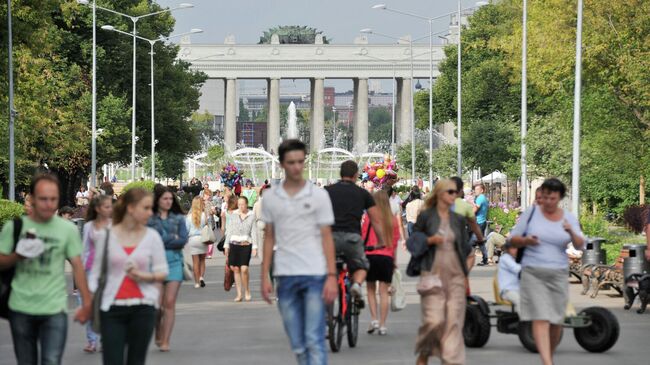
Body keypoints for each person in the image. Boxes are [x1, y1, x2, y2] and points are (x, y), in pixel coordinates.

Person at [0, 174, 92, 365]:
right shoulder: (15, 227)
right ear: (32, 199)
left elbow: (78, 265)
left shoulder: (67, 229)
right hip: (21, 307)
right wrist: (18, 256)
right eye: (43, 199)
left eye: (53, 199)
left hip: (54, 307)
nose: (49, 204)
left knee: (51, 360)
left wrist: (86, 303)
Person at [260, 139, 338, 365]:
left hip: (315, 273)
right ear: (282, 164)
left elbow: (326, 237)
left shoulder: (318, 196)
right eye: (291, 162)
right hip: (285, 274)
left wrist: (332, 276)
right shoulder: (271, 197)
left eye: (300, 162)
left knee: (314, 339)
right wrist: (264, 275)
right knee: (297, 342)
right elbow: (269, 236)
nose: (296, 167)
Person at [88, 188, 168, 365]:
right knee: (112, 360)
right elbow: (94, 275)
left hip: (143, 308)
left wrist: (143, 276)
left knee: (136, 361)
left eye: (151, 208)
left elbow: (162, 272)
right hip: (112, 308)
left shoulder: (152, 237)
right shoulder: (106, 236)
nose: (150, 212)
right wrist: (90, 301)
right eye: (146, 208)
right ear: (131, 208)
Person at [509, 178, 585, 365]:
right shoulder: (531, 213)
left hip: (558, 272)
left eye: (553, 198)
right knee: (541, 317)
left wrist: (571, 233)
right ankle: (547, 362)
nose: (549, 202)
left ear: (559, 197)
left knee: (556, 320)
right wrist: (526, 241)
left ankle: (548, 356)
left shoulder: (568, 218)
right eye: (546, 197)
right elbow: (512, 240)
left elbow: (580, 244)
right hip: (533, 271)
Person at [407, 179, 473, 365]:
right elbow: (414, 241)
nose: (455, 195)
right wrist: (430, 240)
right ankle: (426, 351)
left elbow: (466, 249)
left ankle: (452, 361)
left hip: (455, 276)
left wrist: (465, 273)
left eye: (456, 192)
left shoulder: (458, 220)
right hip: (432, 274)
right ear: (439, 194)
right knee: (434, 321)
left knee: (453, 323)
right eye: (450, 192)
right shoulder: (427, 216)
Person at [325, 160, 384, 298]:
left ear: (340, 174)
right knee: (362, 266)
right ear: (356, 175)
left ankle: (326, 301)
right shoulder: (363, 194)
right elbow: (375, 219)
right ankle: (357, 285)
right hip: (352, 238)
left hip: (330, 239)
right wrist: (380, 241)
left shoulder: (327, 191)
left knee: (323, 266)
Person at [148, 185, 188, 352]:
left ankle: (166, 340)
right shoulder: (150, 219)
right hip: (155, 264)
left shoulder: (179, 218)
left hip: (174, 263)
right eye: (165, 198)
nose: (168, 201)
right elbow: (149, 240)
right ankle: (158, 328)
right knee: (157, 306)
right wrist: (172, 237)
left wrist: (164, 240)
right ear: (157, 200)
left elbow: (183, 240)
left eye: (170, 199)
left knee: (169, 302)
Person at [80, 194, 113, 353]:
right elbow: (84, 249)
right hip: (90, 269)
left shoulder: (115, 226)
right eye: (107, 206)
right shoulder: (89, 226)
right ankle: (92, 340)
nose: (110, 209)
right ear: (98, 209)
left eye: (110, 206)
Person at [363, 190, 398, 336]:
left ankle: (374, 319)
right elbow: (395, 243)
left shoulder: (369, 217)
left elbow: (362, 236)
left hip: (370, 255)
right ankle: (383, 325)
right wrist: (394, 261)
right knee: (384, 292)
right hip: (387, 257)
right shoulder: (393, 219)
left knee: (370, 289)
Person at [224, 196, 258, 302]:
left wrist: (255, 246)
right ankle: (239, 294)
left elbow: (254, 231)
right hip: (234, 244)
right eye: (239, 204)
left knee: (244, 268)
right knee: (236, 269)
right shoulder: (234, 215)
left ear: (246, 204)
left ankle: (247, 290)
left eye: (243, 204)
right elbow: (229, 230)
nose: (241, 206)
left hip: (246, 244)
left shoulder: (251, 215)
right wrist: (226, 245)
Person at [450, 177, 485, 267]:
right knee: (469, 256)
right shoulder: (465, 206)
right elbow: (474, 224)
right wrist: (480, 238)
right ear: (461, 191)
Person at [185, 197, 210, 288]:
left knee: (195, 262)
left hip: (192, 240)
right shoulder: (204, 215)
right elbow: (207, 227)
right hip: (202, 239)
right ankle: (201, 277)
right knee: (202, 260)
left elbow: (186, 230)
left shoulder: (188, 217)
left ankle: (196, 283)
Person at [497, 241, 521, 311]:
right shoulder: (505, 258)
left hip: (518, 289)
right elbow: (517, 269)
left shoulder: (516, 259)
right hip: (508, 291)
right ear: (508, 249)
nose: (516, 250)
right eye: (513, 248)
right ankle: (524, 321)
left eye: (517, 248)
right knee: (520, 301)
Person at [472, 183, 490, 265]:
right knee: (480, 241)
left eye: (477, 189)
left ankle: (467, 259)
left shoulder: (480, 198)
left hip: (479, 222)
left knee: (472, 241)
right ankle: (485, 259)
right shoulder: (483, 198)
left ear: (482, 190)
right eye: (475, 189)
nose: (475, 191)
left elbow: (474, 210)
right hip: (481, 221)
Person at [202, 188, 216, 259]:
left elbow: (215, 212)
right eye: (207, 195)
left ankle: (209, 253)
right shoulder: (201, 202)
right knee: (204, 237)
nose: (208, 196)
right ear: (204, 194)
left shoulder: (212, 202)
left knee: (210, 237)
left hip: (210, 220)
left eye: (209, 195)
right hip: (203, 221)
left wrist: (213, 211)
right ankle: (204, 252)